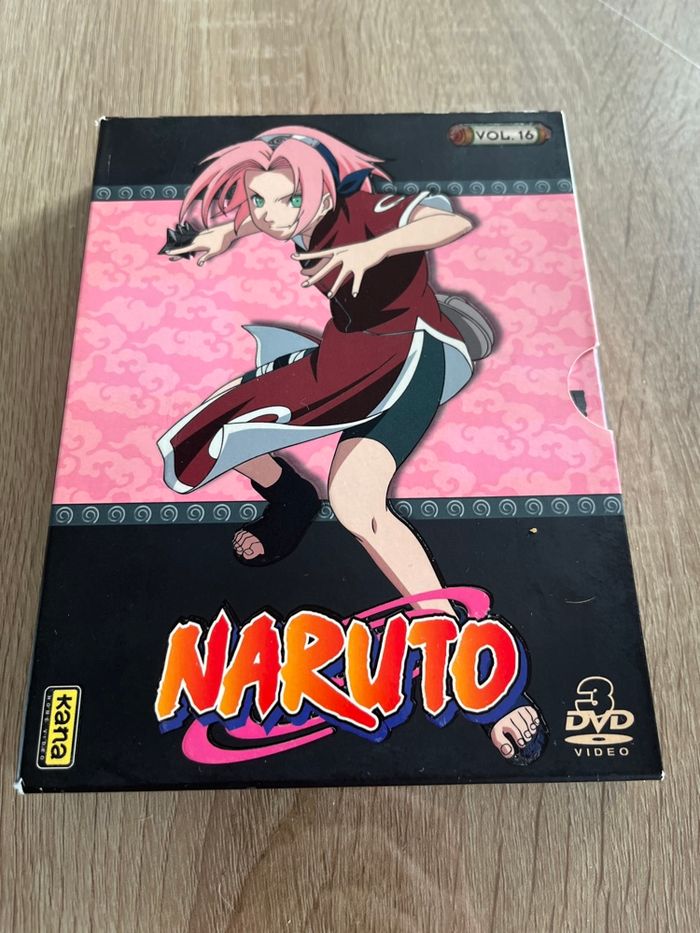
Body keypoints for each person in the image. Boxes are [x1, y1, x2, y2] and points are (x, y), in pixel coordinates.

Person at [159, 126, 544, 763]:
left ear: (320, 189)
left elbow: (448, 222)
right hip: (346, 358)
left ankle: (474, 669)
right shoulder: (289, 217)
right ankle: (289, 497)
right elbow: (272, 216)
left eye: (288, 200)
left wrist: (377, 248)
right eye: (260, 201)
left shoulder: (365, 209)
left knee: (357, 503)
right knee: (214, 429)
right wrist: (227, 231)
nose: (273, 215)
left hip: (413, 353)